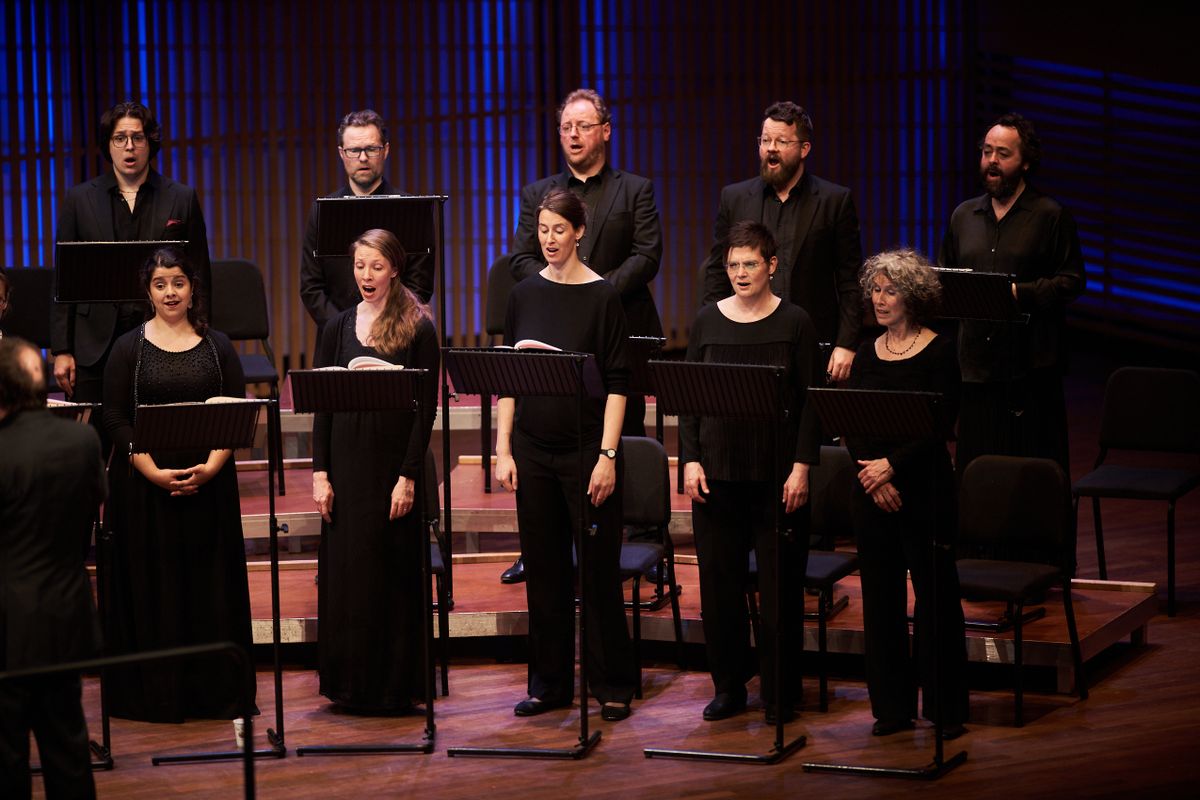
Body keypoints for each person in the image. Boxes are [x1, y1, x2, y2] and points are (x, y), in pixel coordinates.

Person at [502, 88, 664, 583]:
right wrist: (563, 292)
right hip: (552, 338)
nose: (573, 135)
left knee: (622, 433)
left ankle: (633, 544)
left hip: (618, 330)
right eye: (566, 127)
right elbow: (520, 257)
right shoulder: (539, 193)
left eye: (584, 126)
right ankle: (541, 550)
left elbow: (647, 254)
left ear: (605, 131)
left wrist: (595, 291)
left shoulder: (635, 188)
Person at [494, 188, 638, 722]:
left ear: (579, 232)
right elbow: (509, 378)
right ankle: (549, 684)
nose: (549, 239)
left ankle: (612, 684)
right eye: (542, 230)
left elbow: (619, 384)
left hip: (585, 452)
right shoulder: (523, 294)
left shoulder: (603, 296)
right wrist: (502, 448)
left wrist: (607, 456)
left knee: (597, 574)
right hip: (532, 450)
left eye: (559, 229)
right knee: (545, 572)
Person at [101, 246, 255, 722]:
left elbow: (236, 414)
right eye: (160, 284)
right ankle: (158, 695)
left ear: (192, 289)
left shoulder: (218, 345)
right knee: (156, 589)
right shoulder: (127, 348)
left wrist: (210, 468)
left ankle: (213, 694)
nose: (170, 292)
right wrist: (151, 472)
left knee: (208, 589)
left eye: (178, 283)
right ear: (148, 292)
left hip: (209, 486)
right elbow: (116, 418)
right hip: (145, 489)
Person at [681, 221, 820, 722]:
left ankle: (780, 693)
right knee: (720, 589)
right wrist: (691, 458)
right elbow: (689, 399)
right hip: (717, 477)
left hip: (777, 479)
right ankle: (729, 687)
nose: (740, 273)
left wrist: (801, 467)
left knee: (780, 591)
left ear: (771, 266)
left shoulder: (796, 322)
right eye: (733, 265)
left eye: (750, 264)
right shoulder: (706, 321)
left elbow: (811, 403)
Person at [311, 229, 439, 713]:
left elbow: (425, 412)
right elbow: (322, 406)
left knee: (390, 575)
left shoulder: (418, 328)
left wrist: (408, 476)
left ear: (394, 270)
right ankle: (349, 685)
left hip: (390, 469)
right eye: (359, 265)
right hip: (345, 467)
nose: (366, 275)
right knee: (349, 575)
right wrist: (320, 473)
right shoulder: (336, 328)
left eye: (376, 267)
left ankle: (392, 687)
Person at [846, 249, 969, 740]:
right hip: (871, 489)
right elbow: (852, 421)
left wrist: (892, 466)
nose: (879, 299)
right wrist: (874, 474)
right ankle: (891, 708)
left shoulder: (940, 351)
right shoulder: (865, 350)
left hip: (924, 488)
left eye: (890, 291)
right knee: (881, 601)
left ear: (912, 297)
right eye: (875, 290)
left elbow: (939, 424)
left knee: (936, 600)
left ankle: (945, 709)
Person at [939, 112, 1085, 475]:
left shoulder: (1050, 215)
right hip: (975, 366)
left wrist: (1019, 293)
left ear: (1026, 162)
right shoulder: (963, 216)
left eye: (1003, 154)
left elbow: (1072, 280)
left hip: (1030, 369)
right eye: (987, 151)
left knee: (1030, 474)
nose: (992, 160)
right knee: (975, 473)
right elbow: (945, 278)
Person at [51, 101, 211, 432]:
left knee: (161, 433)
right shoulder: (78, 200)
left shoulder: (181, 197)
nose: (129, 147)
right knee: (94, 440)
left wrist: (200, 333)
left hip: (163, 334)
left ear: (150, 143)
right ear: (107, 144)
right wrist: (62, 350)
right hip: (93, 342)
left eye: (137, 138)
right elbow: (64, 279)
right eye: (119, 138)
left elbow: (200, 273)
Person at [0, 337, 105, 800]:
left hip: (7, 626)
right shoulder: (81, 440)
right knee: (68, 751)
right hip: (65, 616)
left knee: (7, 759)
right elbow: (91, 506)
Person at [701, 101, 863, 383]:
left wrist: (846, 343)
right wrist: (713, 330)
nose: (771, 148)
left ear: (804, 148)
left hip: (811, 341)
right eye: (765, 140)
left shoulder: (834, 201)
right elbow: (717, 271)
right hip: (745, 339)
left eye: (781, 141)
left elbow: (850, 281)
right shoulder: (734, 198)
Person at [300, 110, 434, 353]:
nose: (363, 158)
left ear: (386, 150)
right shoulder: (322, 210)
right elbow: (311, 287)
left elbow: (420, 284)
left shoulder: (410, 208)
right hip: (337, 340)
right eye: (354, 150)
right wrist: (346, 330)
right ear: (342, 153)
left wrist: (386, 327)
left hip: (397, 338)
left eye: (371, 149)